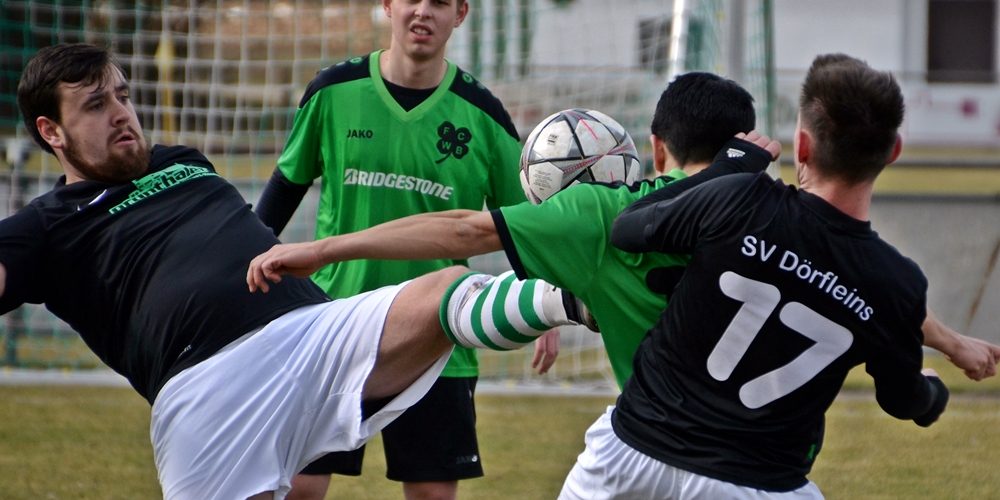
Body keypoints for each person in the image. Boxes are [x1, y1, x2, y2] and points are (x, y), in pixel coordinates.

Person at [5, 42, 588, 500]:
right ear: (50, 132)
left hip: (313, 333)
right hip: (208, 389)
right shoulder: (45, 226)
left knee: (447, 288)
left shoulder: (182, 162)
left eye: (123, 96)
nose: (122, 114)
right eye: (96, 105)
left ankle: (574, 301)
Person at [247, 72, 1000, 394]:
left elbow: (461, 229)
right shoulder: (784, 210)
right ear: (749, 141)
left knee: (455, 297)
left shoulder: (600, 214)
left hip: (653, 430)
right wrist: (955, 342)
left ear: (656, 146)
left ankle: (556, 301)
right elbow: (874, 279)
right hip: (766, 454)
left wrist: (319, 246)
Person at [567, 53, 952, 498]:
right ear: (894, 151)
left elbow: (629, 228)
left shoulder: (741, 197)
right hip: (756, 486)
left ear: (802, 145)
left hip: (629, 459)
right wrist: (933, 395)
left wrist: (728, 166)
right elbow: (904, 401)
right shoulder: (897, 282)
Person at [252, 0, 543, 497]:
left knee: (432, 493)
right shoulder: (333, 91)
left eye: (441, 3)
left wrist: (544, 298)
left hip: (435, 333)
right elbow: (281, 193)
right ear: (388, 5)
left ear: (461, 14)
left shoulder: (484, 115)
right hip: (332, 324)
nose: (424, 12)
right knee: (298, 486)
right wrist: (239, 275)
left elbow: (525, 225)